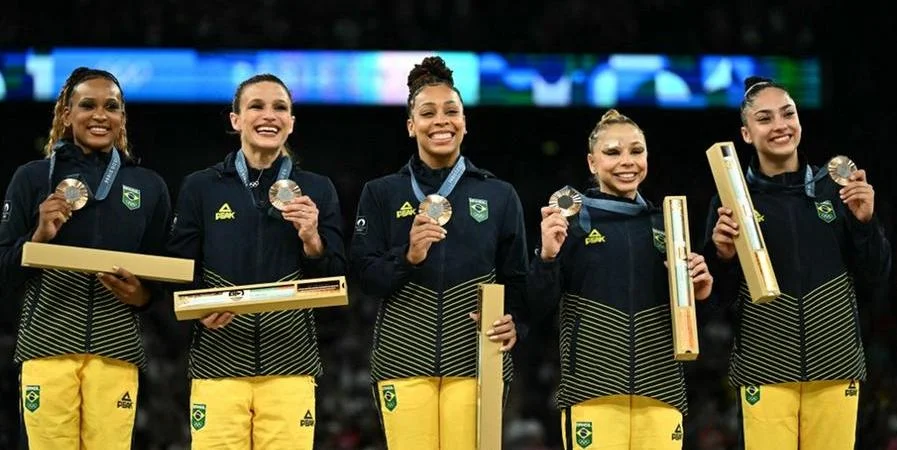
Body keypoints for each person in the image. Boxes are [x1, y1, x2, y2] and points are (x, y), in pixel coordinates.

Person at [704, 76, 892, 450]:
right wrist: (722, 257)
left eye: (788, 114)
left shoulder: (837, 190)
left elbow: (876, 277)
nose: (780, 125)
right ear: (746, 134)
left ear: (799, 121)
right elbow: (715, 301)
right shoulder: (730, 201)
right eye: (765, 118)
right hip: (764, 370)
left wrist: (865, 224)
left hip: (836, 366)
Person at [349, 56, 527, 450]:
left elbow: (517, 280)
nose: (441, 121)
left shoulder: (499, 195)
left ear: (465, 121)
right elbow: (364, 277)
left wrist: (516, 321)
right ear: (411, 126)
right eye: (428, 113)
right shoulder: (381, 193)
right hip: (402, 360)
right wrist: (408, 257)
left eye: (451, 111)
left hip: (478, 359)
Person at [166, 73, 346, 449]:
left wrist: (312, 238)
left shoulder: (318, 189)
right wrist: (199, 306)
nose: (269, 115)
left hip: (291, 363)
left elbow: (336, 276)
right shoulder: (201, 187)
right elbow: (179, 268)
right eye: (256, 106)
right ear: (236, 120)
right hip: (218, 361)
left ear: (291, 122)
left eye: (280, 107)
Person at [0, 67, 171, 449]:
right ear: (66, 114)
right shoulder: (32, 179)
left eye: (111, 106)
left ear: (122, 117)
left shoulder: (149, 187)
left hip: (116, 350)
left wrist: (141, 295)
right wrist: (38, 237)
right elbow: (4, 269)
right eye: (87, 105)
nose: (100, 115)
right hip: (47, 346)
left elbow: (161, 278)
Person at [529, 109, 713, 450]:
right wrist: (547, 258)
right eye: (612, 152)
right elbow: (537, 307)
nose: (627, 161)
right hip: (592, 391)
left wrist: (700, 291)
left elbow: (687, 319)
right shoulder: (571, 224)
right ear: (592, 162)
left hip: (661, 389)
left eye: (636, 151)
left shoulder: (668, 225)